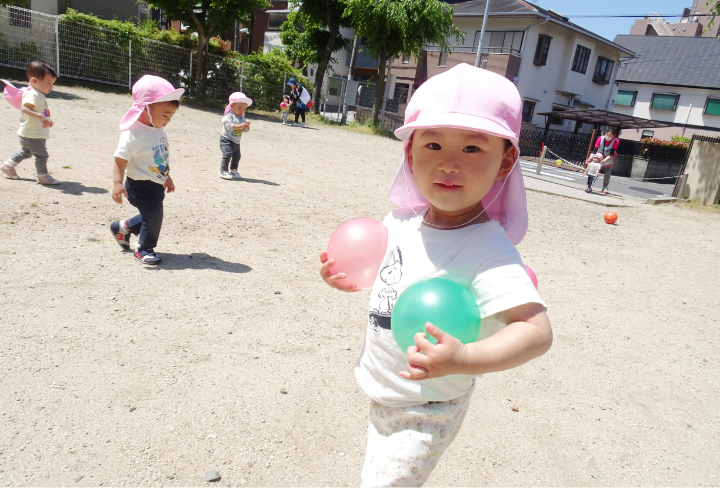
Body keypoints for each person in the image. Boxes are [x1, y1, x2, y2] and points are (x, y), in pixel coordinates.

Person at [318, 64, 552, 488]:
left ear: (506, 161)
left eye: (472, 149)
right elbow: (387, 276)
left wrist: (463, 359)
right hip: (384, 391)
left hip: (428, 407)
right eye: (433, 144)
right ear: (409, 153)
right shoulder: (398, 223)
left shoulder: (489, 251)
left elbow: (536, 332)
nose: (448, 163)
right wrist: (345, 276)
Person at [109, 75, 183, 265]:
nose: (167, 120)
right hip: (139, 185)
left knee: (152, 215)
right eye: (165, 115)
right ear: (145, 108)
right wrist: (117, 183)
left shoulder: (157, 129)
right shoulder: (133, 133)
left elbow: (158, 157)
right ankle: (144, 248)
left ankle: (123, 228)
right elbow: (120, 158)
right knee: (154, 216)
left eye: (170, 116)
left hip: (156, 184)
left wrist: (166, 176)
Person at [0, 60, 59, 185]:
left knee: (26, 152)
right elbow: (25, 108)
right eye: (48, 83)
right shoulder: (33, 94)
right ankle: (43, 176)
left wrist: (46, 119)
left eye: (53, 83)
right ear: (34, 81)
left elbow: (40, 111)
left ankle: (8, 165)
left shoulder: (37, 94)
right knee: (42, 156)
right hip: (33, 134)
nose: (51, 86)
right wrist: (39, 116)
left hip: (28, 132)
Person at [219, 92, 252, 180]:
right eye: (239, 108)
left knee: (237, 157)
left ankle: (233, 170)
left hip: (236, 141)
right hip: (226, 139)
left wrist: (245, 127)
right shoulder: (229, 116)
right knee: (227, 154)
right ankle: (223, 170)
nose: (242, 111)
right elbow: (228, 126)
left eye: (244, 109)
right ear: (232, 106)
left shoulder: (242, 118)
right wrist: (241, 126)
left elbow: (245, 130)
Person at [595, 128, 619, 194]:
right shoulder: (600, 138)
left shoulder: (616, 141)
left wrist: (605, 160)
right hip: (599, 155)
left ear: (613, 136)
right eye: (607, 134)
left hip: (609, 157)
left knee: (608, 171)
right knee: (594, 169)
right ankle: (589, 184)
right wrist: (591, 158)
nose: (608, 136)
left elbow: (612, 152)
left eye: (610, 135)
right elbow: (595, 149)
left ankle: (605, 186)